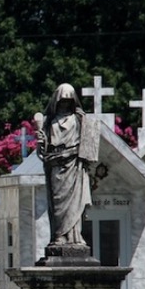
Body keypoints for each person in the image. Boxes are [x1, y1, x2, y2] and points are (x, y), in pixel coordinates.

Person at [37, 83, 96, 246]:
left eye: (68, 101)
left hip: (74, 165)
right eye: (62, 101)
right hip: (56, 165)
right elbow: (43, 150)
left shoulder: (79, 119)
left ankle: (74, 236)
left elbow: (88, 146)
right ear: (56, 101)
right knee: (58, 203)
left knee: (75, 204)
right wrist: (41, 143)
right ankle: (59, 235)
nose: (65, 104)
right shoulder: (49, 122)